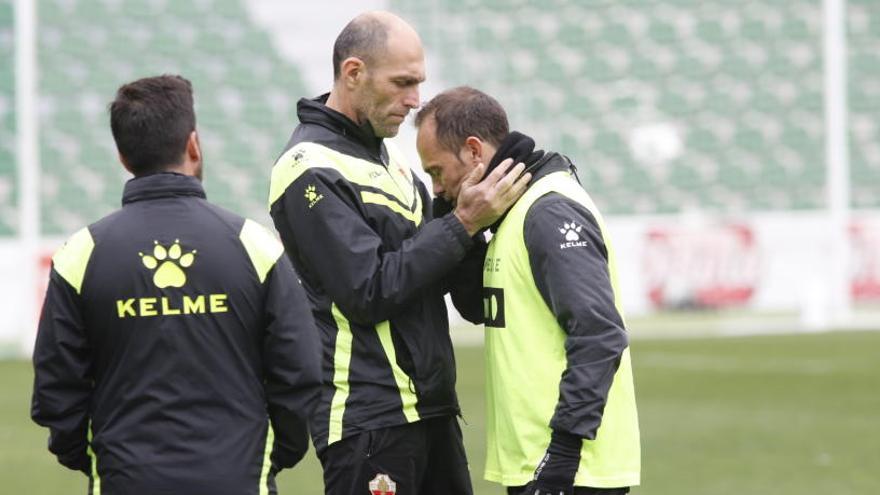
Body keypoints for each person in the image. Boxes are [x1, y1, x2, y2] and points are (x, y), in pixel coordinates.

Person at [268, 12, 530, 495]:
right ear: (353, 73)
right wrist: (462, 221)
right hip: (369, 418)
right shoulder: (308, 168)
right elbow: (369, 291)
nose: (414, 101)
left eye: (419, 84)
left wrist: (468, 218)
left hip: (431, 408)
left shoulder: (399, 168)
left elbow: (458, 292)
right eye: (403, 83)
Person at [31, 75, 322, 495]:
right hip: (237, 480)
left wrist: (100, 461)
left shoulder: (80, 254)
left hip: (127, 481)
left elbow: (56, 392)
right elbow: (300, 373)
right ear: (193, 145)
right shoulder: (255, 245)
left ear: (122, 157)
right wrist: (266, 458)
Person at [415, 86, 641, 495]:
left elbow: (599, 334)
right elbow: (479, 306)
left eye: (436, 171)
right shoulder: (511, 214)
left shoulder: (547, 211)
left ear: (473, 151)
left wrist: (564, 452)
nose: (435, 187)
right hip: (539, 463)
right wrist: (457, 219)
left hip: (570, 470)